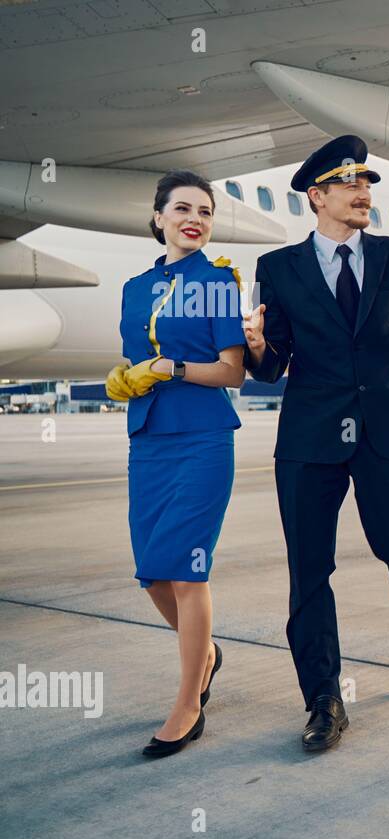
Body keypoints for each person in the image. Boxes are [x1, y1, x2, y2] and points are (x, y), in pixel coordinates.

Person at [241, 135, 389, 753]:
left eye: (367, 184)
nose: (364, 193)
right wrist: (255, 347)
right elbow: (273, 366)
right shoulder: (278, 268)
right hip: (310, 435)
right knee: (309, 570)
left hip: (385, 428)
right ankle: (324, 699)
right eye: (350, 184)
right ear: (317, 196)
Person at [105, 170, 247, 757]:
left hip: (203, 436)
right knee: (152, 573)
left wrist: (172, 370)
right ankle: (207, 654)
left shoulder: (216, 283)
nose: (194, 218)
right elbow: (132, 359)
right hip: (149, 438)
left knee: (188, 572)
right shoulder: (135, 288)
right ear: (159, 217)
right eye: (182, 208)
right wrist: (125, 378)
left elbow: (233, 372)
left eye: (205, 212)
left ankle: (187, 704)